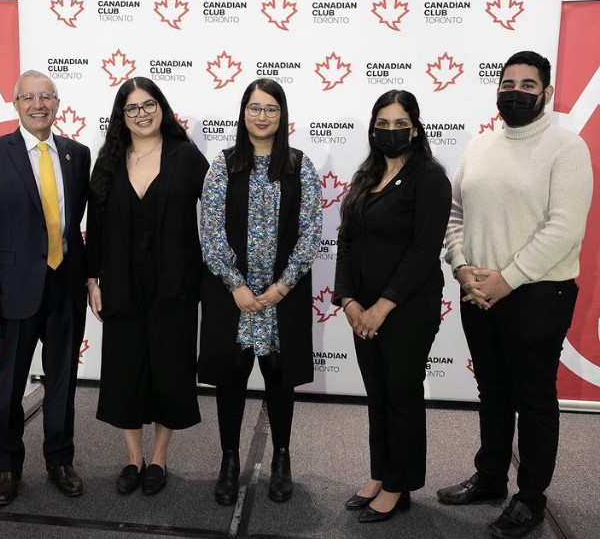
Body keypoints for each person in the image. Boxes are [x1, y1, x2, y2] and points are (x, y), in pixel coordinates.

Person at [439, 51, 593, 539]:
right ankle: (489, 478)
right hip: (477, 291)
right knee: (492, 391)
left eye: (528, 85)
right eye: (508, 83)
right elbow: (455, 213)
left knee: (535, 399)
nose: (516, 91)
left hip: (538, 295)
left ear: (546, 93)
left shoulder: (566, 148)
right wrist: (463, 269)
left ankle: (530, 498)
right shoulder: (479, 145)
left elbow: (565, 229)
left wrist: (506, 279)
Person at [0, 70, 90, 505]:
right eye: (30, 97)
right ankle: (7, 467)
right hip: (12, 293)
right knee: (7, 389)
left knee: (62, 383)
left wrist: (91, 278)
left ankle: (59, 460)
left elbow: (75, 227)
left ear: (57, 104)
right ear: (15, 104)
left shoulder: (77, 154)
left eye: (47, 97)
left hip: (65, 289)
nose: (39, 104)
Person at [199, 78, 322, 505]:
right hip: (233, 300)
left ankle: (281, 459)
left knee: (279, 380)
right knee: (230, 379)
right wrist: (235, 285)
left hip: (279, 300)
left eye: (271, 108)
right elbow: (210, 230)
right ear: (243, 112)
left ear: (282, 114)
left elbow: (310, 232)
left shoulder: (298, 165)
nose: (262, 115)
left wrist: (283, 285)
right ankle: (229, 461)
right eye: (254, 107)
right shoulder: (224, 165)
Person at [86, 77, 209, 496]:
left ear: (162, 107)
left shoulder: (188, 157)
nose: (142, 113)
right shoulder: (108, 160)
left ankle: (159, 457)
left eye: (149, 104)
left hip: (174, 283)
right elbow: (96, 229)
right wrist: (92, 279)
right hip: (121, 282)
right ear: (122, 116)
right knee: (124, 369)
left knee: (170, 369)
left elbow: (212, 222)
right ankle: (132, 458)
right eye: (132, 108)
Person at [333, 90, 451, 523]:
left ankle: (399, 485)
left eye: (399, 123)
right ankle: (380, 472)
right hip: (361, 310)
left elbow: (423, 253)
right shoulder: (366, 175)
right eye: (382, 123)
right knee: (377, 394)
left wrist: (381, 308)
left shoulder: (430, 177)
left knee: (401, 394)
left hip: (406, 310)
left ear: (415, 128)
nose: (390, 131)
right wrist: (348, 301)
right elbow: (346, 241)